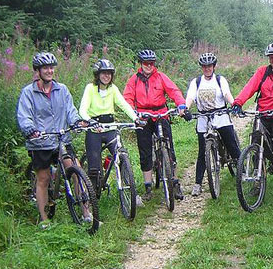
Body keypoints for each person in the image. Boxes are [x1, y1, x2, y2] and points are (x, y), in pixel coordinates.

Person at [16, 52, 88, 228]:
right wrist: (30, 130)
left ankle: (86, 212)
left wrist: (77, 121)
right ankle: (44, 219)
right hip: (41, 141)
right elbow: (24, 116)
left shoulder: (62, 89)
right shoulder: (28, 92)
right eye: (45, 68)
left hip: (62, 138)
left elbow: (70, 110)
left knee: (75, 169)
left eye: (51, 68)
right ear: (38, 71)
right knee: (43, 178)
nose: (49, 71)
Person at [231, 42, 273, 186]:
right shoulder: (262, 72)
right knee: (257, 145)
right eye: (271, 57)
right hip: (263, 114)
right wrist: (238, 102)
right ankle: (258, 182)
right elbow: (250, 87)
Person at [123, 50, 186, 201]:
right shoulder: (134, 80)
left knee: (169, 148)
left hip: (161, 114)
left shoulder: (161, 77)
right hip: (143, 116)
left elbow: (174, 91)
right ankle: (148, 186)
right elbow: (127, 98)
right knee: (145, 151)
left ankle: (175, 183)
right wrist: (133, 112)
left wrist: (181, 105)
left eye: (151, 63)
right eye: (146, 63)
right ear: (141, 64)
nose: (149, 66)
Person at [79, 59, 144, 199]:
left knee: (121, 155)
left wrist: (135, 118)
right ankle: (93, 198)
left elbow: (124, 104)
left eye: (109, 74)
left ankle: (131, 191)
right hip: (95, 129)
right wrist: (89, 121)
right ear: (97, 74)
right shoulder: (90, 88)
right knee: (94, 167)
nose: (106, 76)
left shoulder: (112, 89)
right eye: (103, 73)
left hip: (110, 128)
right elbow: (82, 110)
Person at [183, 53, 241, 196]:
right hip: (203, 118)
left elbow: (226, 94)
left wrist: (233, 103)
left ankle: (242, 171)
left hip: (220, 116)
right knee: (202, 151)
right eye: (204, 66)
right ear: (202, 67)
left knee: (231, 144)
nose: (207, 68)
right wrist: (185, 109)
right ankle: (197, 184)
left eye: (209, 66)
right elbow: (190, 97)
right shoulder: (196, 82)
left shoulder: (220, 80)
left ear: (214, 67)